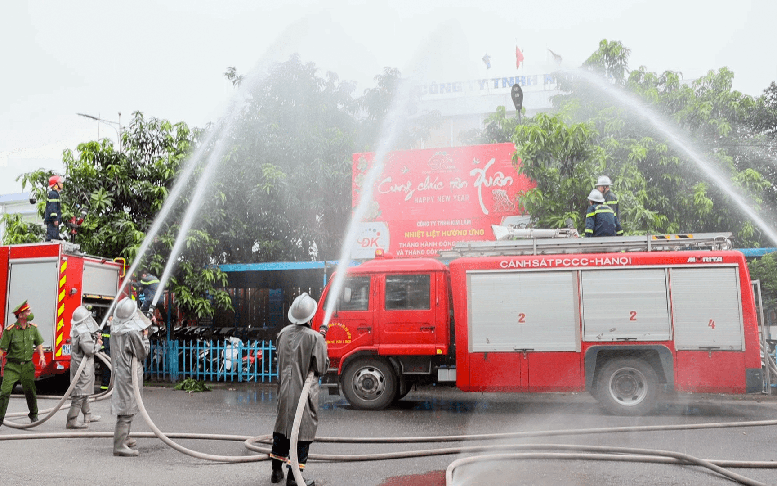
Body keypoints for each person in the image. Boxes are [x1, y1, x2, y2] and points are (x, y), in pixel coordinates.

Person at [270, 293, 328, 486]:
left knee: (282, 429)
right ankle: (295, 477)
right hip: (304, 393)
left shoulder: (283, 333)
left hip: (284, 391)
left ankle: (276, 471)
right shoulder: (315, 338)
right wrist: (322, 343)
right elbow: (321, 367)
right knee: (302, 433)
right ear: (310, 317)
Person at [110, 297, 151, 456]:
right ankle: (119, 446)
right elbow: (142, 352)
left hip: (121, 371)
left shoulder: (117, 327)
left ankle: (124, 438)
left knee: (128, 406)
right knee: (127, 410)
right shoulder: (132, 333)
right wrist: (145, 337)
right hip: (129, 374)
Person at [0, 301, 45, 426]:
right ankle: (0, 418)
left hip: (27, 366)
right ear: (20, 315)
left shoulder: (33, 329)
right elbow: (2, 349)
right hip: (12, 366)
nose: (30, 313)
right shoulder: (10, 331)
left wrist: (42, 356)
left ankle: (34, 414)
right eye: (28, 311)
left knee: (30, 391)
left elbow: (39, 343)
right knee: (4, 392)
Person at [67, 306, 102, 429]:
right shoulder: (83, 332)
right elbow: (89, 350)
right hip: (83, 367)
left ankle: (88, 415)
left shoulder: (76, 329)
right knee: (80, 393)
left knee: (84, 392)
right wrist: (97, 345)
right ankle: (72, 420)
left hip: (79, 365)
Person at [44, 175, 64, 242]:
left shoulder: (55, 194)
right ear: (55, 185)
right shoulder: (53, 194)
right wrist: (55, 219)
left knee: (55, 238)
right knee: (52, 240)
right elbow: (53, 208)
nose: (62, 184)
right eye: (60, 182)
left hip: (53, 223)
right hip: (52, 223)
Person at [100, 316, 112, 391]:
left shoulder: (114, 331)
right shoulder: (105, 331)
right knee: (106, 372)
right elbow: (103, 343)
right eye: (110, 319)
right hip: (106, 355)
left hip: (112, 354)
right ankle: (104, 387)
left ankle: (111, 387)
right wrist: (103, 352)